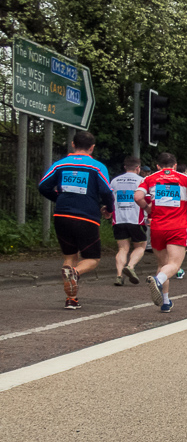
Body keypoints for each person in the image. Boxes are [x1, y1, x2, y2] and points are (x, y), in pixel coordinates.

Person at [37, 130, 115, 310]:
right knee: (93, 258)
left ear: (73, 144)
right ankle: (76, 273)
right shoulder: (97, 166)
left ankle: (71, 299)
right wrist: (108, 209)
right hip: (86, 216)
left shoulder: (60, 164)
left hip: (62, 214)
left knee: (70, 256)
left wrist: (60, 197)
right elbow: (105, 191)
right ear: (92, 147)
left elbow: (43, 186)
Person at [135, 152, 187, 313]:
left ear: (157, 166)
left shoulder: (150, 178)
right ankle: (158, 280)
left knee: (163, 264)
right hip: (177, 226)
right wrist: (185, 211)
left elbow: (138, 196)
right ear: (175, 165)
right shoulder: (185, 178)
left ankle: (165, 301)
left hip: (157, 227)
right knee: (174, 265)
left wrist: (148, 208)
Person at [108, 155, 146, 287]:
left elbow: (110, 199)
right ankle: (130, 266)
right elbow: (146, 199)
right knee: (141, 246)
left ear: (125, 167)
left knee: (122, 248)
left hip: (118, 219)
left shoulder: (115, 181)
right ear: (138, 168)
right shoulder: (142, 181)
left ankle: (119, 276)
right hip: (136, 219)